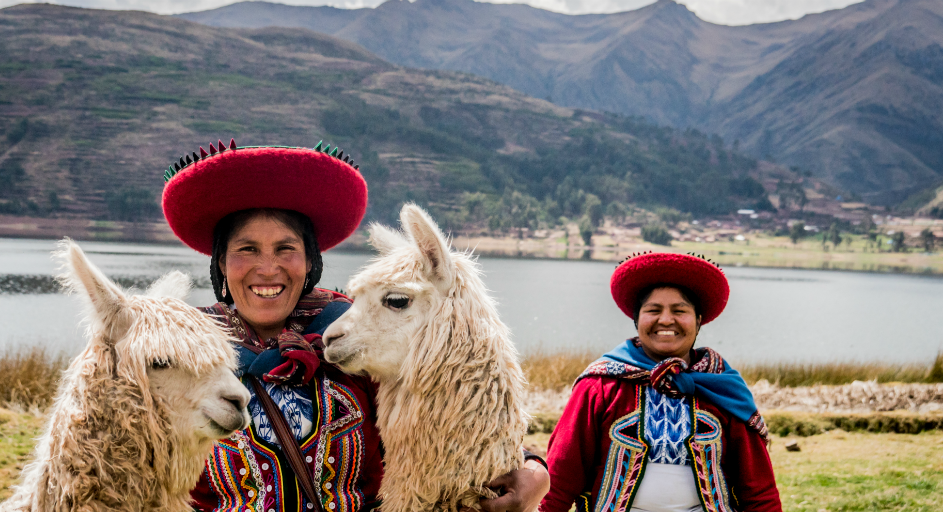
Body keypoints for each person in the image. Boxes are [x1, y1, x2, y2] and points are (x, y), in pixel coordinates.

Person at [160, 140, 549, 512]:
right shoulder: (179, 353)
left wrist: (534, 471)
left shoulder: (359, 334)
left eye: (286, 248)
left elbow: (455, 416)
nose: (267, 268)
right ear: (221, 264)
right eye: (247, 250)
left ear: (310, 261)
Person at [540, 252, 781, 512]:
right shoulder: (600, 386)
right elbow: (561, 478)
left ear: (699, 321)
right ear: (636, 320)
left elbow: (758, 489)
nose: (666, 320)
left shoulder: (722, 388)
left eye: (680, 311)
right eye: (653, 310)